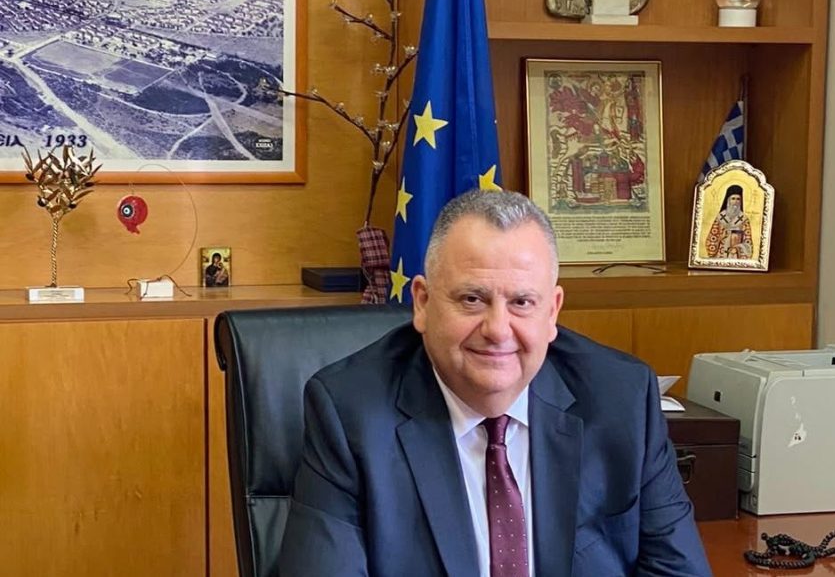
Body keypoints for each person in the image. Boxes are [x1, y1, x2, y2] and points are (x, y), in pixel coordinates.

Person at [278, 190, 711, 576]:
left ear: (552, 311)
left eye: (521, 302)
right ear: (423, 303)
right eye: (472, 299)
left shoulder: (622, 397)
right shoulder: (350, 413)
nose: (498, 329)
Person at [705, 184, 753, 259]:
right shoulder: (720, 217)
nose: (735, 201)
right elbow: (712, 238)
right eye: (733, 198)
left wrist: (737, 248)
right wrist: (720, 238)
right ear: (728, 200)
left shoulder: (744, 219)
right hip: (721, 254)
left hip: (736, 256)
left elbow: (748, 241)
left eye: (738, 199)